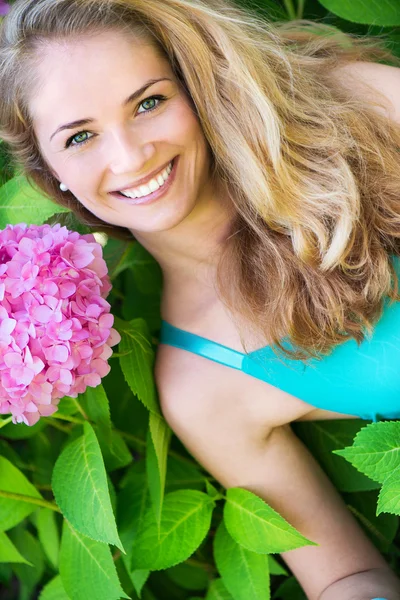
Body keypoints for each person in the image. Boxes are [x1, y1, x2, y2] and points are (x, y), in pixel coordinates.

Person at [0, 0, 400, 597]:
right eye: (80, 136)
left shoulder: (353, 108)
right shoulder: (202, 382)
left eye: (149, 103)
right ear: (48, 170)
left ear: (195, 87)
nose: (131, 156)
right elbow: (345, 575)